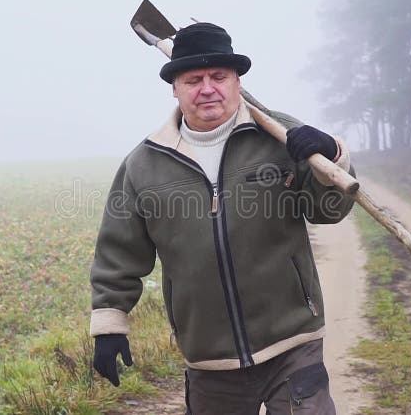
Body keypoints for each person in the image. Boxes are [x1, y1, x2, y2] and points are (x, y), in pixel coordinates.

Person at [89, 22, 355, 414]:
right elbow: (119, 252)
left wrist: (332, 155)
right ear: (175, 89)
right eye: (194, 79)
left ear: (237, 82)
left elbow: (329, 211)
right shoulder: (143, 166)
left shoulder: (282, 137)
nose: (208, 88)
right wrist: (110, 324)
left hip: (293, 343)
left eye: (219, 76)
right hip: (209, 359)